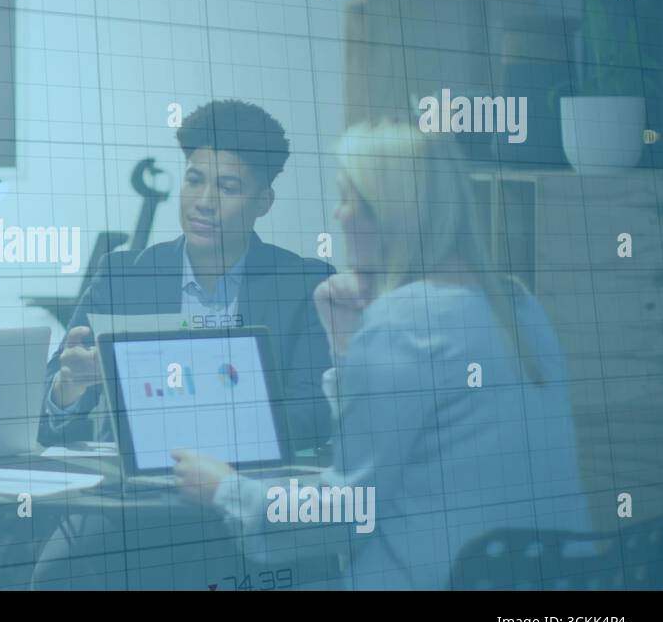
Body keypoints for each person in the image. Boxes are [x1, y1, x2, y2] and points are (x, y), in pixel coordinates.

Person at [173, 121, 590, 589]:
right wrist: (350, 343)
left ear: (387, 214)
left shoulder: (402, 325)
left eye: (349, 198)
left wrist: (227, 490)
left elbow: (346, 511)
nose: (339, 215)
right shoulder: (519, 306)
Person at [30, 100, 334, 589]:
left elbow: (311, 410)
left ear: (264, 202)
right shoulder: (124, 277)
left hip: (245, 497)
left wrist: (195, 431)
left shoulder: (303, 284)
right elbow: (50, 413)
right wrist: (70, 386)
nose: (204, 200)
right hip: (135, 505)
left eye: (228, 187)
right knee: (53, 576)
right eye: (194, 179)